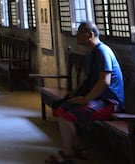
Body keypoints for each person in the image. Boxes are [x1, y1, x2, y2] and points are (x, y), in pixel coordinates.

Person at [46, 21, 125, 163]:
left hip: (110, 101)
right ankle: (80, 149)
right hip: (97, 97)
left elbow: (104, 81)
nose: (76, 36)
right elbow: (89, 81)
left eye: (79, 33)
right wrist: (75, 93)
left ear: (89, 35)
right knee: (59, 107)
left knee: (68, 114)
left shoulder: (102, 51)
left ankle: (68, 152)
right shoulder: (91, 53)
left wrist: (85, 99)